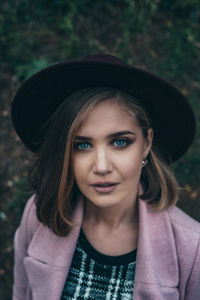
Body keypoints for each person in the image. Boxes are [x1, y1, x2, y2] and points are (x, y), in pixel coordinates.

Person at [11, 54, 200, 300]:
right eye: (82, 145)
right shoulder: (39, 215)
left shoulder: (192, 248)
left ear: (146, 144)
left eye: (120, 142)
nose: (101, 166)